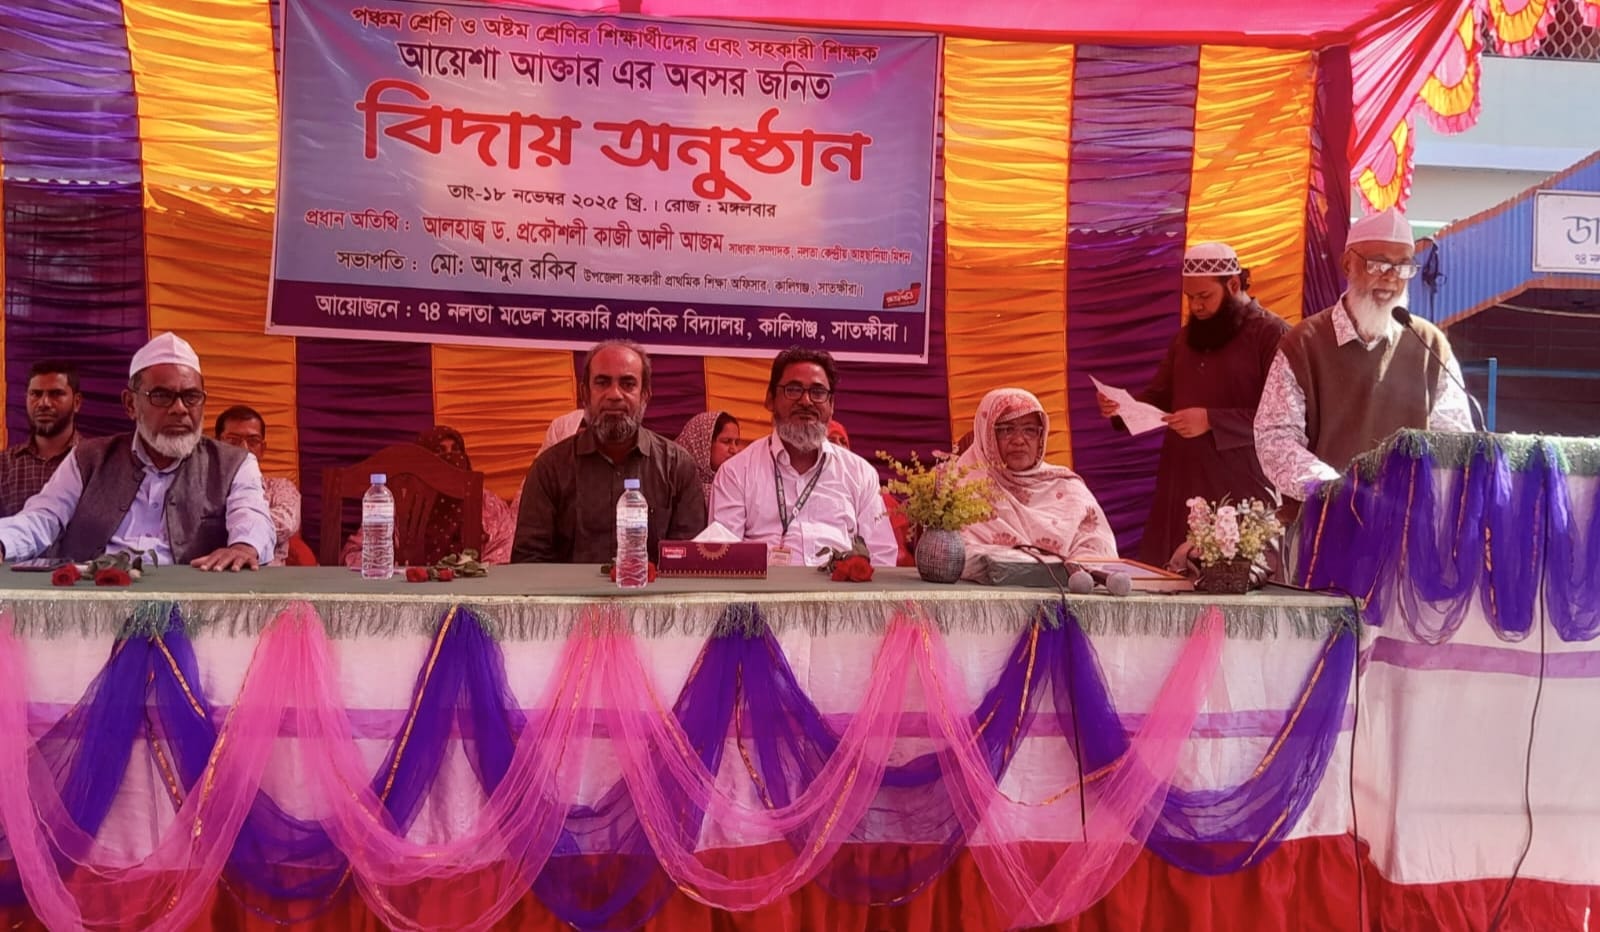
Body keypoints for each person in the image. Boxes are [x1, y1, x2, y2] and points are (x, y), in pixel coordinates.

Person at [1254, 207, 1473, 504]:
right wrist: (1339, 492)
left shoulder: (1429, 344)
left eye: (1402, 267)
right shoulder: (1303, 343)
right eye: (1378, 264)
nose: (1391, 278)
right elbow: (1275, 439)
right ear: (1348, 264)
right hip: (1325, 519)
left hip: (1408, 520)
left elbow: (1455, 439)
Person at [0, 332, 273, 569]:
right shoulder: (88, 457)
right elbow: (44, 516)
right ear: (130, 404)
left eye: (191, 397)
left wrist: (244, 546)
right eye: (162, 396)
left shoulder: (234, 464)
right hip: (94, 599)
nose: (180, 409)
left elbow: (251, 515)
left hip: (189, 606)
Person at [1099, 242, 1289, 566]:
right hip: (1182, 484)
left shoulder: (1273, 334)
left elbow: (1283, 416)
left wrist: (1211, 420)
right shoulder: (1186, 338)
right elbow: (1159, 396)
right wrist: (1123, 409)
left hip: (1242, 485)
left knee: (1239, 581)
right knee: (1172, 581)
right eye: (1190, 298)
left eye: (1204, 296)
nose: (1196, 306)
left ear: (1233, 285)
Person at [513, 340, 705, 563]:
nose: (614, 394)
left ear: (645, 395)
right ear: (585, 393)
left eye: (628, 384)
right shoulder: (550, 469)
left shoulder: (677, 467)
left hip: (650, 587)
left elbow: (687, 563)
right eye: (602, 383)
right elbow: (528, 561)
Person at [709, 348, 897, 566]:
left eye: (818, 392)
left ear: (832, 405)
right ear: (770, 399)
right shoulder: (735, 473)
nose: (806, 401)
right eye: (793, 389)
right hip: (764, 587)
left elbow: (881, 557)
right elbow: (724, 559)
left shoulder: (860, 474)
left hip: (838, 587)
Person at [956, 388, 1117, 579]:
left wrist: (1078, 569)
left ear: (1041, 437)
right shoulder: (960, 488)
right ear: (987, 435)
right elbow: (953, 556)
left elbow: (1099, 551)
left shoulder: (1068, 487)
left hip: (1068, 593)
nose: (1019, 440)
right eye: (1007, 430)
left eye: (1029, 430)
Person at [340, 426, 517, 566]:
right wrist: (397, 569)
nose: (450, 458)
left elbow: (505, 548)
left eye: (456, 450)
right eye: (440, 452)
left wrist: (472, 573)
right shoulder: (400, 502)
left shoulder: (485, 501)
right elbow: (355, 553)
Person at [213, 405, 312, 566]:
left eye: (253, 441)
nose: (244, 449)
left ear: (263, 449)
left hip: (267, 575)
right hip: (209, 571)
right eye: (233, 440)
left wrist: (217, 525)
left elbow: (286, 524)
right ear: (216, 445)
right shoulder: (202, 487)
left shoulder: (280, 488)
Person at [826, 418, 915, 567]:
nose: (839, 446)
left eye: (843, 441)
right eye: (831, 440)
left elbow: (896, 556)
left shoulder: (877, 494)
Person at [1, 360, 84, 517]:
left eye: (56, 394)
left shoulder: (95, 463)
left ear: (77, 402)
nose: (43, 403)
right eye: (36, 394)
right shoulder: (4, 465)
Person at [675, 410, 740, 506]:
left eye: (736, 443)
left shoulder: (738, 487)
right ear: (703, 444)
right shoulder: (674, 487)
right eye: (726, 441)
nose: (734, 450)